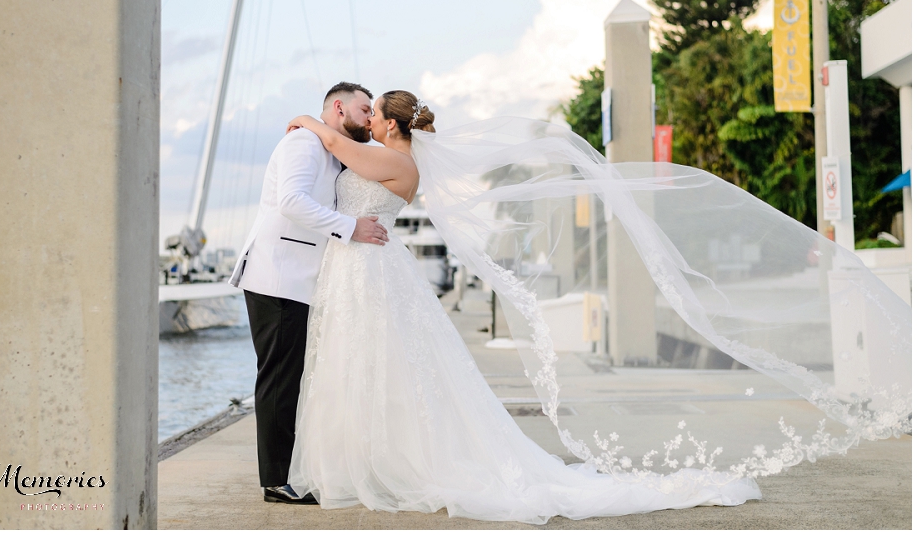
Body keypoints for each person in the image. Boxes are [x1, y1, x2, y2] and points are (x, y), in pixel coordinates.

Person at [280, 91, 764, 523]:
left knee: (379, 361)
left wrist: (306, 116)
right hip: (355, 266)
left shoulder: (401, 164)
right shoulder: (386, 156)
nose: (368, 122)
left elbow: (337, 146)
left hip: (371, 269)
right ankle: (363, 459)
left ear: (390, 124)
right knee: (359, 362)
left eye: (374, 113)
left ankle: (388, 463)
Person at [228, 82, 390, 505]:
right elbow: (292, 202)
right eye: (363, 108)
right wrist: (352, 227)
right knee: (279, 379)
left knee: (293, 378)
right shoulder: (303, 142)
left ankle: (289, 472)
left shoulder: (329, 147)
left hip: (301, 279)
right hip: (278, 275)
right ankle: (277, 482)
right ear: (338, 107)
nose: (369, 116)